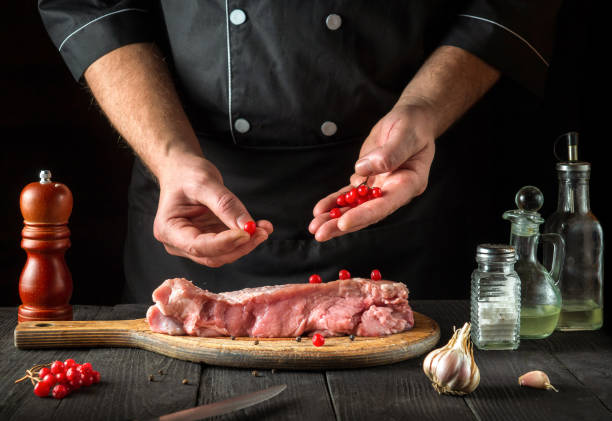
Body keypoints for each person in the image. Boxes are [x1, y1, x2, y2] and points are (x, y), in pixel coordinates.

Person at [38, 1, 561, 302]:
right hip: (193, 194)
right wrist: (170, 154)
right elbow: (92, 2)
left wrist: (423, 109)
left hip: (394, 193)